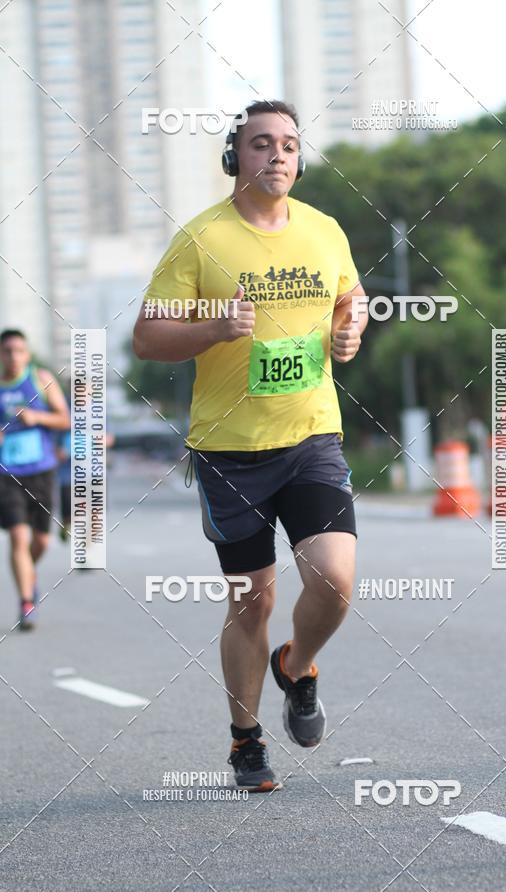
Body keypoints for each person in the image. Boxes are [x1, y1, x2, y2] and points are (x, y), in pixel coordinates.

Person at [133, 100, 368, 791]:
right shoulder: (201, 238)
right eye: (262, 144)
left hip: (311, 436)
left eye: (290, 145)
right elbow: (148, 337)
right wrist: (212, 330)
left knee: (336, 578)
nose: (278, 156)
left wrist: (348, 333)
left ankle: (296, 668)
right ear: (236, 158)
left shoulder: (323, 230)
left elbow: (349, 297)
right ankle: (245, 740)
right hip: (230, 453)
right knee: (252, 601)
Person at [0, 330, 70, 629]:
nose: (13, 356)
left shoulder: (41, 379)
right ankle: (26, 601)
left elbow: (66, 419)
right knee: (18, 535)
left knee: (41, 540)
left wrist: (37, 418)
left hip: (41, 470)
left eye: (19, 350)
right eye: (7, 351)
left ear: (27, 354)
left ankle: (28, 574)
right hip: (7, 472)